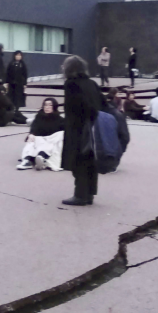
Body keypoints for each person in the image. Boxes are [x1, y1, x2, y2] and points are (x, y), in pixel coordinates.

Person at [61, 56, 100, 206]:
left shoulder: (71, 85)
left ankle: (80, 194)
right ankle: (90, 193)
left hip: (77, 128)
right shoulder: (92, 84)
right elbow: (101, 104)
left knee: (79, 162)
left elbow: (77, 105)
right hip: (92, 127)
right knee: (90, 160)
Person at [17, 98, 66, 171]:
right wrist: (31, 134)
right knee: (31, 142)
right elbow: (34, 127)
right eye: (45, 105)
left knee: (58, 137)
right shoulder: (39, 116)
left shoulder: (60, 119)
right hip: (39, 139)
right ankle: (27, 161)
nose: (47, 107)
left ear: (54, 107)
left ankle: (41, 157)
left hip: (50, 141)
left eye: (50, 105)